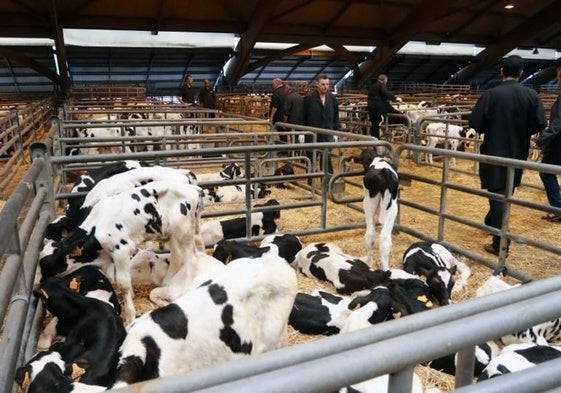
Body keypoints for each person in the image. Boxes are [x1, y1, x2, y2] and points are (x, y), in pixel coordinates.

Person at [469, 55, 547, 256]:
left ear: (501, 72)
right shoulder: (531, 95)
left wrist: (492, 126)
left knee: (497, 196)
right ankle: (491, 223)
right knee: (505, 193)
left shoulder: (491, 95)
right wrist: (523, 130)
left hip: (494, 152)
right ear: (521, 73)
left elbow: (475, 123)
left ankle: (499, 243)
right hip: (518, 153)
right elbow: (540, 123)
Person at [531, 66, 561, 222]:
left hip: (558, 145)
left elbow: (557, 124)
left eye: (559, 78)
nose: (557, 82)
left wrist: (539, 140)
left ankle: (557, 208)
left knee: (546, 172)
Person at [303, 74, 340, 175]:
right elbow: (303, 115)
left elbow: (336, 115)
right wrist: (302, 133)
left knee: (326, 158)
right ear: (317, 84)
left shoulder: (332, 98)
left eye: (327, 84)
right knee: (311, 158)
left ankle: (327, 181)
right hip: (312, 134)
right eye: (323, 84)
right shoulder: (309, 98)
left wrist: (336, 131)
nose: (325, 86)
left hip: (327, 134)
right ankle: (311, 181)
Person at [367, 74, 403, 139]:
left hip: (371, 107)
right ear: (385, 80)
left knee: (375, 124)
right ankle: (404, 123)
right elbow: (385, 92)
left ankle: (375, 141)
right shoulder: (381, 85)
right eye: (386, 80)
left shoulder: (373, 86)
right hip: (380, 106)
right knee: (398, 115)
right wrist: (395, 98)